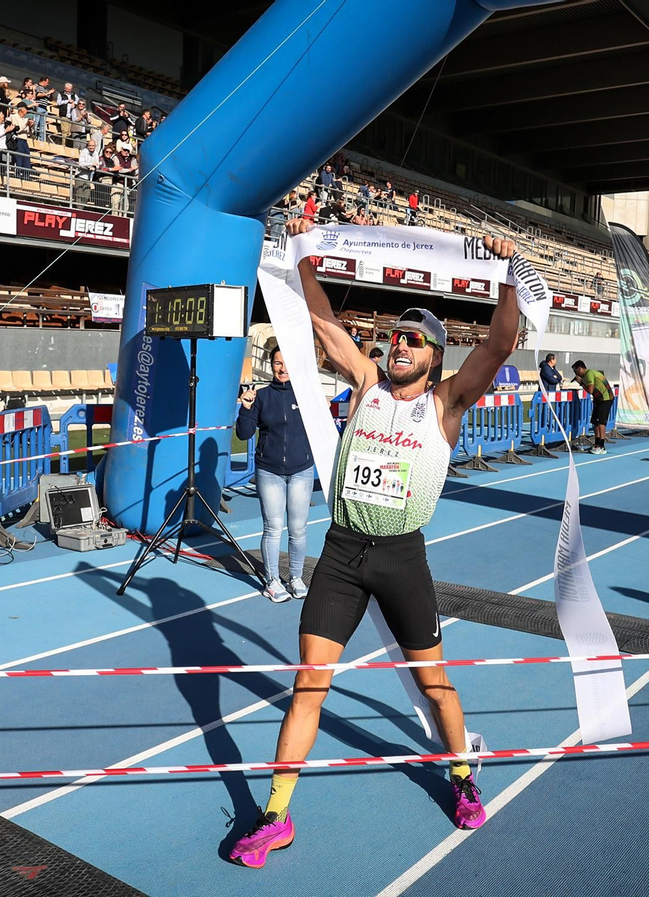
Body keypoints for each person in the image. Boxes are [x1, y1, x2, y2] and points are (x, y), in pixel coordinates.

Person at [228, 218, 521, 868]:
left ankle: (460, 773)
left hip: (399, 557)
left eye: (415, 340)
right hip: (341, 553)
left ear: (436, 356)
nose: (400, 344)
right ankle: (275, 813)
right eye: (396, 336)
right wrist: (303, 258)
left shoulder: (447, 402)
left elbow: (500, 343)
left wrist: (505, 274)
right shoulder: (365, 383)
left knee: (432, 679)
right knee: (310, 681)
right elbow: (325, 323)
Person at [235, 347, 316, 603]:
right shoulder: (261, 396)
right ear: (271, 365)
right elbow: (244, 434)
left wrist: (323, 407)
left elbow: (321, 428)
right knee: (272, 528)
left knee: (298, 529)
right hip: (269, 472)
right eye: (277, 363)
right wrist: (246, 408)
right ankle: (272, 580)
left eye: (287, 363)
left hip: (301, 471)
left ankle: (296, 577)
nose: (282, 368)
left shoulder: (306, 394)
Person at [571, 360, 614, 455]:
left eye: (575, 372)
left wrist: (581, 383)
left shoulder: (589, 373)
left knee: (601, 422)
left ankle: (602, 446)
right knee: (595, 421)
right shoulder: (589, 374)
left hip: (605, 399)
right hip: (598, 399)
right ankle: (597, 443)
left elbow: (590, 390)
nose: (576, 374)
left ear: (580, 369)